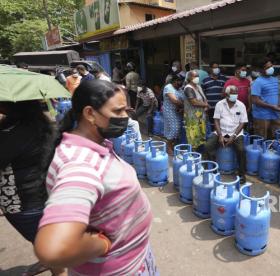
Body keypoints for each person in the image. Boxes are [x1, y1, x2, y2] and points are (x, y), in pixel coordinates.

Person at [34, 80, 157, 275]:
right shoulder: (81, 164)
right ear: (90, 114)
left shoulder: (91, 144)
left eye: (126, 110)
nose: (125, 117)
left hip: (137, 258)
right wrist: (100, 244)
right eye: (117, 112)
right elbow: (53, 249)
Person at [0, 100, 64, 276]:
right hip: (45, 195)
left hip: (23, 203)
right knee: (47, 240)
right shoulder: (44, 125)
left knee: (51, 251)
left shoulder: (10, 135)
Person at [205, 85, 248, 183]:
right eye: (233, 93)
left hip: (235, 133)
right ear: (227, 94)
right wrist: (220, 135)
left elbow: (243, 122)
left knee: (241, 150)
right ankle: (213, 169)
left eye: (236, 93)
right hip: (222, 131)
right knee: (208, 146)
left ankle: (241, 174)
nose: (235, 95)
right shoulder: (220, 104)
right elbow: (216, 120)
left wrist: (233, 136)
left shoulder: (241, 105)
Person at [251, 58, 280, 139]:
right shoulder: (257, 82)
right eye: (267, 67)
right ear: (261, 70)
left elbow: (276, 95)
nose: (271, 68)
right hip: (262, 116)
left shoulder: (275, 79)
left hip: (275, 115)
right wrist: (272, 106)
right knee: (261, 139)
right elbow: (255, 100)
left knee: (277, 138)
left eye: (271, 66)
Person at [183, 70, 209, 151]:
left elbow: (204, 98)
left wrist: (206, 104)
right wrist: (206, 105)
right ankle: (193, 155)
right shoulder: (188, 88)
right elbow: (193, 102)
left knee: (201, 136)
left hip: (201, 116)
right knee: (193, 137)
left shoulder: (198, 86)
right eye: (195, 76)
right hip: (192, 117)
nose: (197, 78)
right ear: (190, 77)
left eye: (198, 76)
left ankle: (200, 153)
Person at [163, 75, 185, 154]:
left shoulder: (180, 89)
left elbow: (184, 99)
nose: (181, 83)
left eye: (181, 81)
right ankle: (168, 146)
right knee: (174, 128)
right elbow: (174, 100)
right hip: (169, 111)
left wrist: (182, 108)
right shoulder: (168, 87)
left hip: (178, 111)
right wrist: (184, 106)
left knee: (178, 129)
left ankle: (172, 145)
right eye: (179, 81)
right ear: (174, 81)